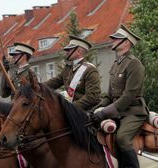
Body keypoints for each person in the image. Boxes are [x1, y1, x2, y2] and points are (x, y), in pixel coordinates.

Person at [91, 24, 149, 168]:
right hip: (118, 112)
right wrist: (95, 110)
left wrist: (105, 112)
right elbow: (110, 96)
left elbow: (129, 96)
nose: (113, 41)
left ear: (126, 43)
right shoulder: (116, 64)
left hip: (133, 112)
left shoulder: (134, 64)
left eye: (116, 39)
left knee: (122, 138)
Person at [44, 35, 101, 111]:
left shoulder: (89, 69)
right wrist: (38, 87)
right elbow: (55, 82)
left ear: (78, 51)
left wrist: (71, 107)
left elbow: (92, 97)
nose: (66, 52)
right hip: (72, 109)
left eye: (69, 50)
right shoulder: (68, 68)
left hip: (87, 110)